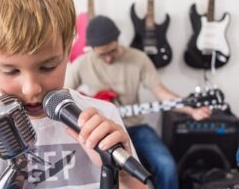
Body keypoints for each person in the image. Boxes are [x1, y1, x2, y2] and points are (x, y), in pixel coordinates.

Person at [0, 0, 148, 189]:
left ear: (68, 52)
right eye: (11, 71)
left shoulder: (104, 115)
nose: (31, 89)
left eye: (48, 67)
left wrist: (123, 175)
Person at [65, 15, 211, 189]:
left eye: (112, 51)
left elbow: (161, 93)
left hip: (135, 127)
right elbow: (64, 96)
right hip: (103, 132)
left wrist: (191, 110)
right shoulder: (81, 64)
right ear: (92, 48)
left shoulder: (139, 58)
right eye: (102, 54)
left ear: (117, 40)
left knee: (166, 165)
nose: (108, 58)